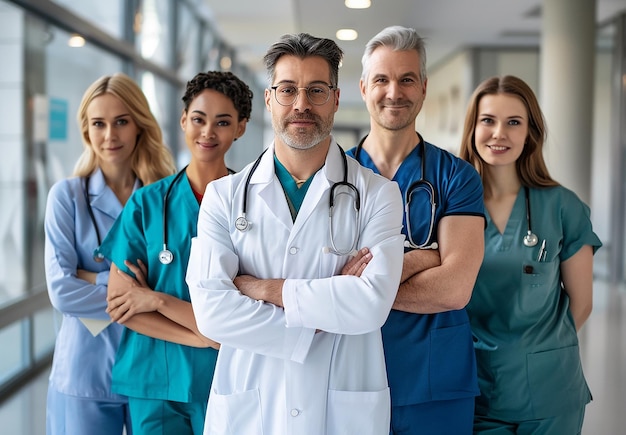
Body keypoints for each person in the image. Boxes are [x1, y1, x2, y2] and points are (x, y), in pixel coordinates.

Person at [186, 33, 405, 435]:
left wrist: (266, 289)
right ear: (270, 99)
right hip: (251, 409)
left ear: (336, 99)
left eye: (316, 90)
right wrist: (327, 306)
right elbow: (212, 312)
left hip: (341, 409)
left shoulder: (378, 195)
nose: (301, 104)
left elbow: (371, 304)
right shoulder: (223, 197)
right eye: (288, 90)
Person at [346, 26, 485, 435]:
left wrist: (358, 290)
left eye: (407, 79)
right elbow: (318, 281)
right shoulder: (332, 178)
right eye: (382, 80)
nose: (395, 92)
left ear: (423, 88)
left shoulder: (457, 177)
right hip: (350, 376)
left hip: (435, 380)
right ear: (363, 87)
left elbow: (455, 289)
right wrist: (425, 257)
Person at [99, 71, 252, 434]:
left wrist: (156, 300)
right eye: (198, 119)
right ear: (184, 121)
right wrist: (202, 335)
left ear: (241, 128)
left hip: (227, 378)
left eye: (223, 122)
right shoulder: (147, 203)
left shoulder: (253, 205)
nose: (208, 132)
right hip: (155, 377)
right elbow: (122, 305)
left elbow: (254, 303)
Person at [459, 75, 602, 434]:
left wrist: (538, 355)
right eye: (488, 120)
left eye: (514, 123)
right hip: (475, 387)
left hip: (550, 391)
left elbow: (581, 304)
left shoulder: (562, 206)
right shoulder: (454, 207)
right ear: (472, 128)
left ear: (530, 133)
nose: (499, 134)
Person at [44, 73, 176, 435]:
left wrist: (92, 276)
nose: (110, 135)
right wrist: (135, 292)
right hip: (85, 371)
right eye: (98, 124)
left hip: (151, 367)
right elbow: (62, 291)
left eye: (121, 121)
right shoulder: (67, 198)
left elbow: (174, 288)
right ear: (86, 131)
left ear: (139, 126)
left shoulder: (164, 197)